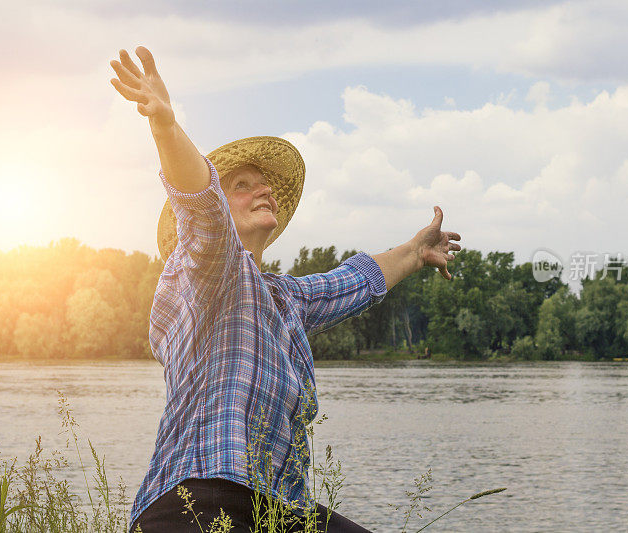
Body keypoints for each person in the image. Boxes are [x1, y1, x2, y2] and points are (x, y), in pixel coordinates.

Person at [110, 46, 461, 533]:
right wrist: (166, 127)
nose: (264, 190)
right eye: (244, 184)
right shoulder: (202, 271)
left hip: (275, 508)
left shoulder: (283, 297)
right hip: (196, 500)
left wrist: (416, 251)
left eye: (266, 184)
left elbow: (355, 281)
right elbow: (202, 206)